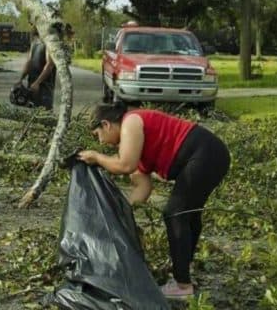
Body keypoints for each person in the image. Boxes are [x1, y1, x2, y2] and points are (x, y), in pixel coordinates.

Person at [78, 102, 230, 300]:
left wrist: (97, 158)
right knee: (187, 214)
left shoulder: (130, 122)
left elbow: (124, 165)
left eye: (97, 135)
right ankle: (184, 269)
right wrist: (121, 216)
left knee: (175, 213)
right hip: (210, 155)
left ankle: (183, 285)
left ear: (106, 124)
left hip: (205, 153)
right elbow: (143, 188)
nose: (101, 142)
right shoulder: (134, 145)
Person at [15, 27, 56, 109]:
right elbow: (29, 61)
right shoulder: (35, 42)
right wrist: (20, 79)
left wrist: (37, 82)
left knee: (44, 112)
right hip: (32, 83)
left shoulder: (49, 43)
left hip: (45, 86)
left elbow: (50, 64)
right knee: (31, 109)